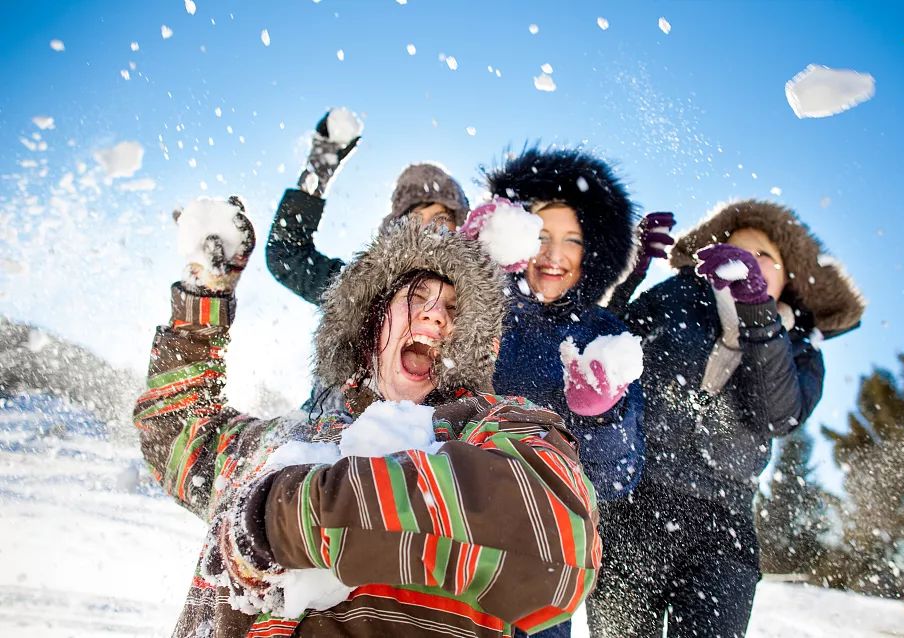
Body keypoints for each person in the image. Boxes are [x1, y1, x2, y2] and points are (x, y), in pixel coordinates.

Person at [135, 199, 600, 637]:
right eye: (417, 296)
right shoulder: (282, 439)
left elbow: (560, 542)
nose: (436, 318)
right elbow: (176, 435)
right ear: (371, 321)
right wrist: (204, 297)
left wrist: (284, 518)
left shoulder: (491, 426)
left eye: (452, 310)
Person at [589, 199, 865, 637]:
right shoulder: (676, 298)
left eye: (763, 258)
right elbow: (599, 347)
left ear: (788, 279)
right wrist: (629, 272)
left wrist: (757, 313)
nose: (747, 264)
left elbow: (776, 416)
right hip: (635, 507)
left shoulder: (800, 347)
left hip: (723, 526)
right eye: (736, 252)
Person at [476, 146, 645, 638]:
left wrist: (600, 416)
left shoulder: (603, 334)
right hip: (453, 526)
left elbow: (618, 479)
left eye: (572, 239)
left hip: (545, 554)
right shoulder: (474, 306)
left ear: (591, 252)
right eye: (542, 235)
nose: (554, 255)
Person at [266, 110, 470, 305]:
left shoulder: (476, 294)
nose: (428, 228)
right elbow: (287, 257)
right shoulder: (366, 289)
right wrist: (317, 174)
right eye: (416, 219)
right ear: (397, 227)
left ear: (460, 226)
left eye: (441, 219)